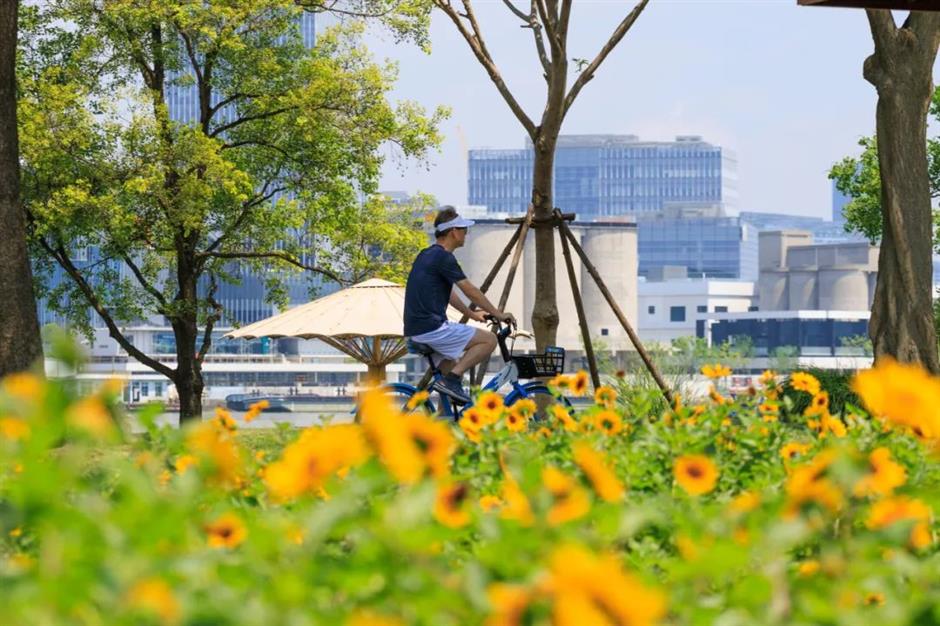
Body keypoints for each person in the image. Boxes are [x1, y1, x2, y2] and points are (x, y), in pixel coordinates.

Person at [403, 206, 516, 404]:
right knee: (489, 340)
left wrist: (472, 315)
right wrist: (498, 314)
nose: (466, 233)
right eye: (464, 229)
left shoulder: (427, 254)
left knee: (450, 369)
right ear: (454, 231)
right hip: (432, 328)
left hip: (416, 329)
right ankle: (452, 380)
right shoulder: (444, 257)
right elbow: (469, 290)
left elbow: (448, 294)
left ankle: (443, 420)